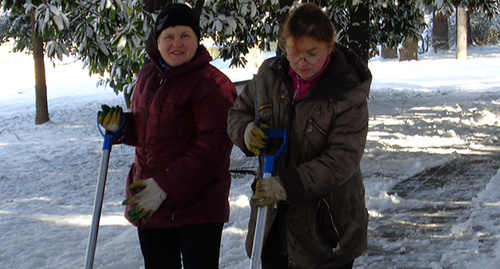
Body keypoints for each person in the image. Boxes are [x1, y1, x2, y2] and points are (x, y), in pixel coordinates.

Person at [227, 3, 371, 269]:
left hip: (325, 226)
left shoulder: (347, 92)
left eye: (312, 54)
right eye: (294, 53)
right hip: (272, 223)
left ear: (330, 47)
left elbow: (342, 159)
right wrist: (246, 132)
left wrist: (287, 185)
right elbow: (237, 113)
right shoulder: (269, 76)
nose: (301, 63)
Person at [100, 3, 237, 268]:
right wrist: (120, 127)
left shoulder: (212, 84)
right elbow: (147, 128)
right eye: (169, 36)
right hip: (150, 202)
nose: (177, 43)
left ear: (197, 40)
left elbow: (214, 148)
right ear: (158, 40)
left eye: (185, 35)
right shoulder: (149, 75)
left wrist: (164, 186)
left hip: (198, 207)